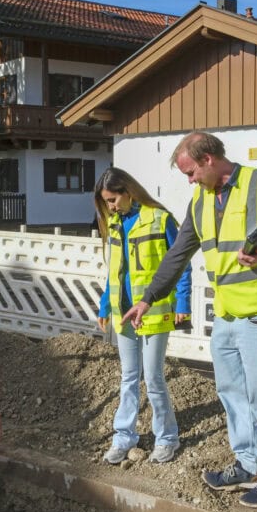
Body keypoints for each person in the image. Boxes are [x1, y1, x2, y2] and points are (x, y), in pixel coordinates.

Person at [121, 131, 257, 508]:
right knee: (232, 392)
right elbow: (178, 253)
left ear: (208, 159)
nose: (190, 181)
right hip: (225, 313)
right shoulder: (201, 201)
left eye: (190, 172)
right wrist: (148, 298)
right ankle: (249, 463)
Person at [95, 167, 191, 465]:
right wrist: (104, 305)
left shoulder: (160, 219)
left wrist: (183, 302)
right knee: (128, 377)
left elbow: (181, 263)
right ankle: (123, 437)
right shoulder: (115, 224)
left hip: (154, 313)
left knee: (153, 378)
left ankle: (167, 438)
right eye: (107, 202)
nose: (111, 207)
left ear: (128, 192)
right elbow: (114, 271)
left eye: (113, 200)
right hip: (123, 313)